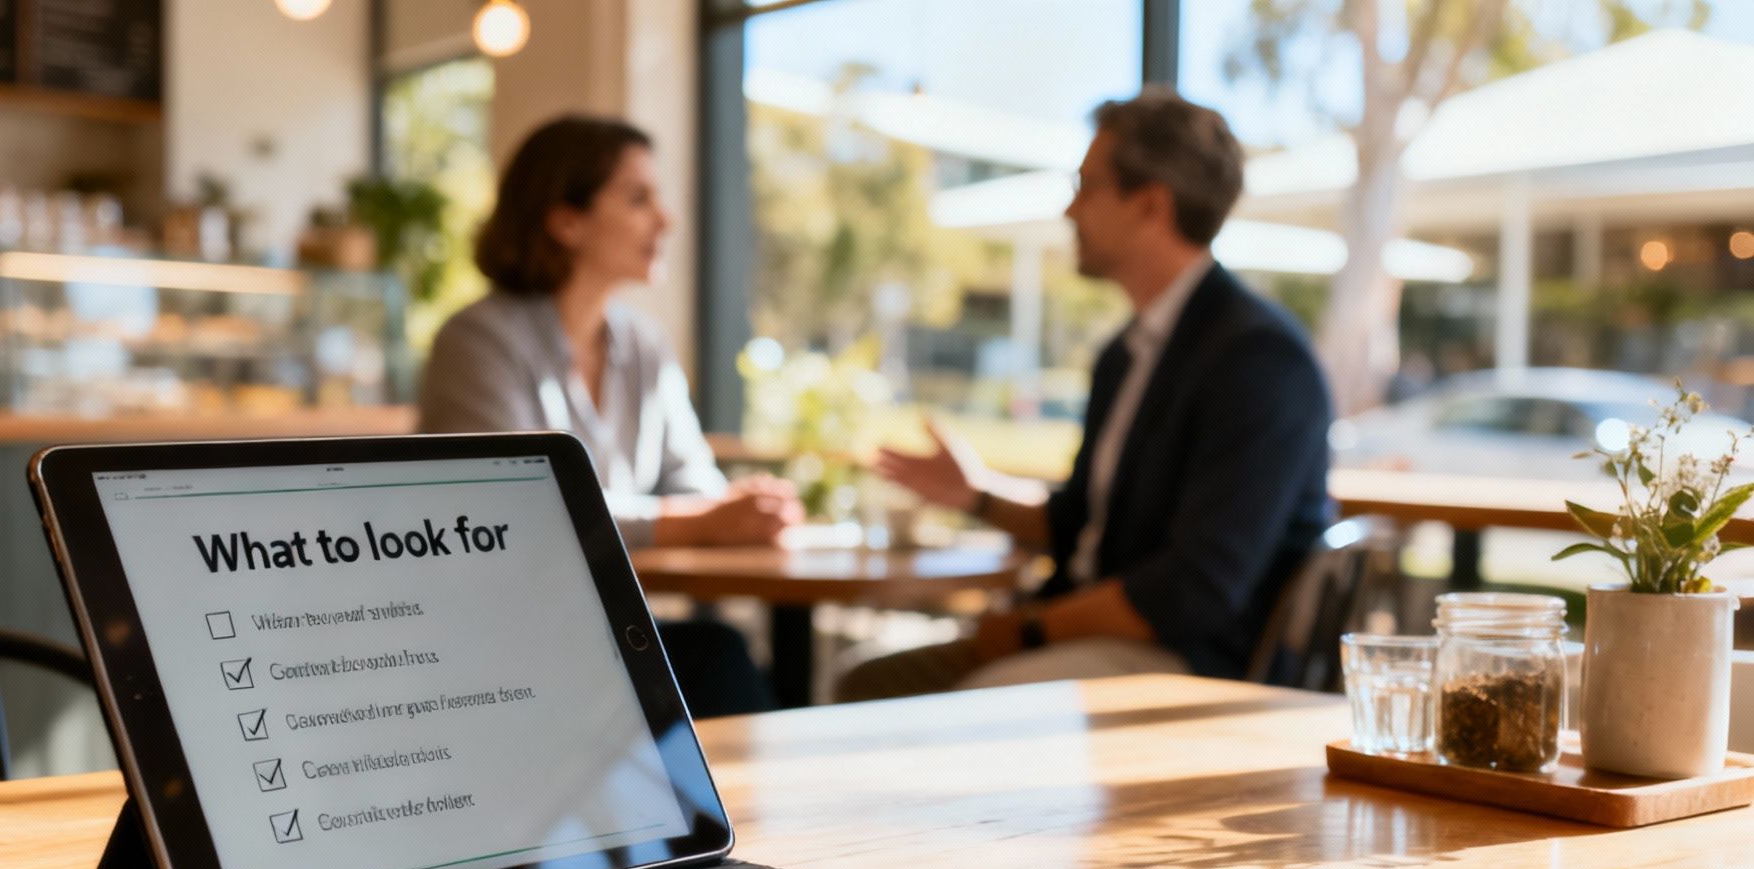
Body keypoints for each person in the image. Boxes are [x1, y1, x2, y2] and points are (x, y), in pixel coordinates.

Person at [837, 88, 1332, 701]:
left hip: (1192, 664)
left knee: (969, 701)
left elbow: (1193, 590)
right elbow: (1082, 523)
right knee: (865, 680)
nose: (1069, 209)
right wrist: (975, 495)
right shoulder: (1128, 354)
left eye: (1087, 186)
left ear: (1150, 204)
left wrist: (1032, 629)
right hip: (1091, 639)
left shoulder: (1258, 360)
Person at [421, 115, 800, 716]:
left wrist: (739, 513)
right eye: (638, 198)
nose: (666, 219)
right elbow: (515, 512)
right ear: (566, 221)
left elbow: (691, 480)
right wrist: (698, 522)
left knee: (720, 658)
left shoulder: (643, 343)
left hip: (612, 634)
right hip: (503, 647)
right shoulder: (476, 343)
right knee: (719, 662)